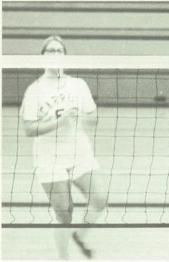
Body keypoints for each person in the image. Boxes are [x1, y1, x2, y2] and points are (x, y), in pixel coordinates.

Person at [20, 35, 108, 259]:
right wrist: (60, 121)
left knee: (99, 199)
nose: (55, 54)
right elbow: (29, 129)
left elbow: (93, 118)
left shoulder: (78, 85)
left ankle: (80, 236)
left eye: (59, 50)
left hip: (79, 152)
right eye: (50, 50)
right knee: (64, 212)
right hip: (49, 159)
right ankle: (64, 257)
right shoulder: (34, 90)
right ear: (42, 57)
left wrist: (80, 116)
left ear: (65, 56)